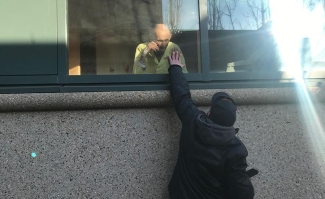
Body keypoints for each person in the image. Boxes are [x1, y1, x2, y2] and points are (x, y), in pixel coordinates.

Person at [167, 51, 255, 199]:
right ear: (232, 122)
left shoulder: (193, 121)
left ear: (209, 114)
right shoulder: (235, 150)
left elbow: (182, 95)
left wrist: (175, 68)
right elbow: (243, 194)